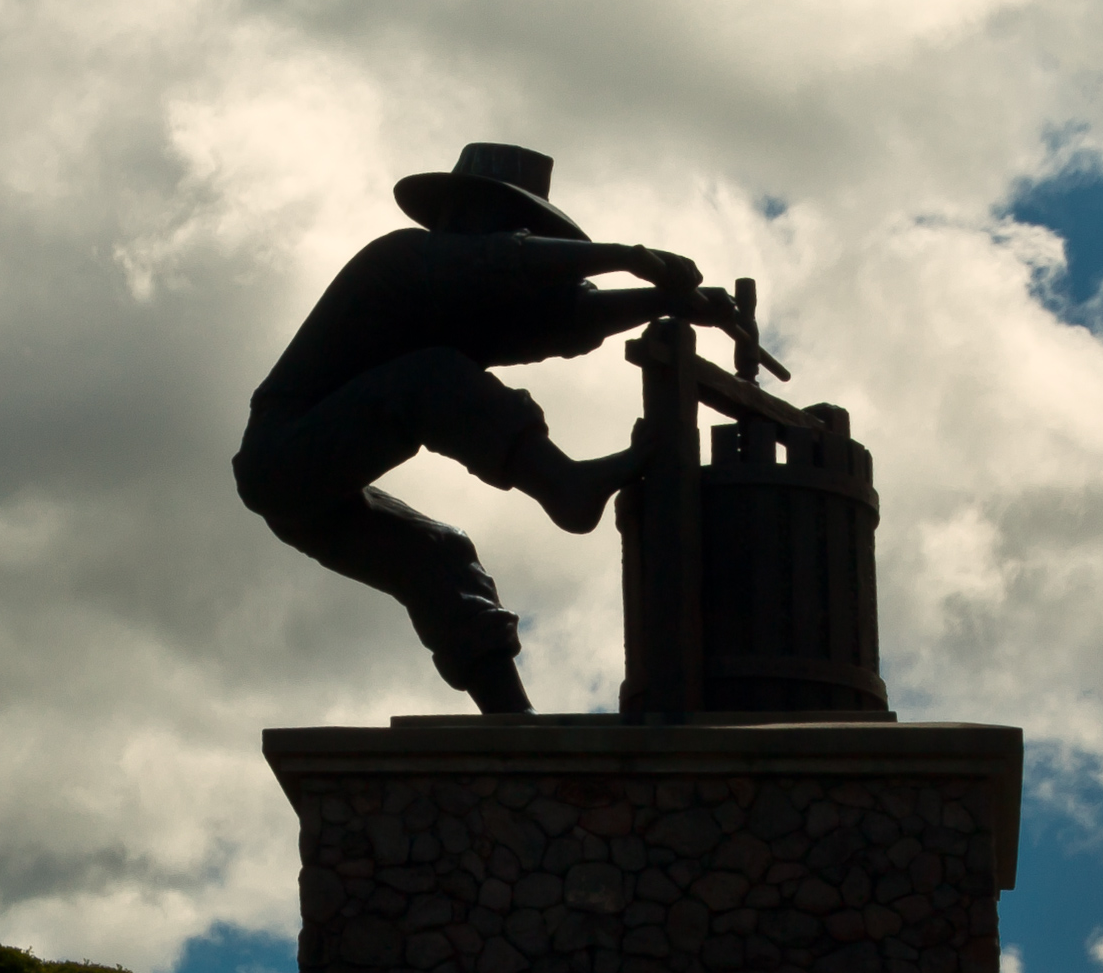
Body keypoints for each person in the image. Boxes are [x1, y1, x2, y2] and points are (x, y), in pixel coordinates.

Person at [236, 143, 735, 714]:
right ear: (460, 214)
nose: (515, 235)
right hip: (281, 454)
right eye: (505, 220)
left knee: (440, 557)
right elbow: (503, 263)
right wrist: (627, 256)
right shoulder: (402, 261)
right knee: (433, 376)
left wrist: (671, 301)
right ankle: (563, 485)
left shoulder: (461, 311)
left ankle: (512, 724)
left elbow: (567, 318)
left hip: (309, 499)